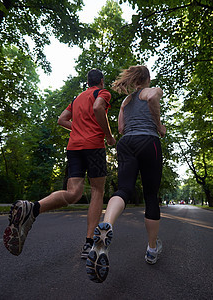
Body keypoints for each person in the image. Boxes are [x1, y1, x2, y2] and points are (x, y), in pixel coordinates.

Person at [3, 69, 116, 257]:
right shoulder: (102, 93)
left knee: (73, 193)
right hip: (94, 145)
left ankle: (33, 208)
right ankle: (88, 243)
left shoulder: (77, 98)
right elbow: (98, 108)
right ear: (101, 81)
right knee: (97, 191)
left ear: (87, 82)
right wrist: (109, 136)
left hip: (74, 147)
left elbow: (61, 119)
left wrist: (79, 127)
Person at [85, 65, 166, 283]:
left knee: (124, 190)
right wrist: (158, 125)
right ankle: (151, 249)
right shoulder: (153, 90)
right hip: (149, 142)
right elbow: (150, 98)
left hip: (127, 143)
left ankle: (108, 225)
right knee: (150, 195)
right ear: (147, 78)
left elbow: (120, 129)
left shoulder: (125, 101)